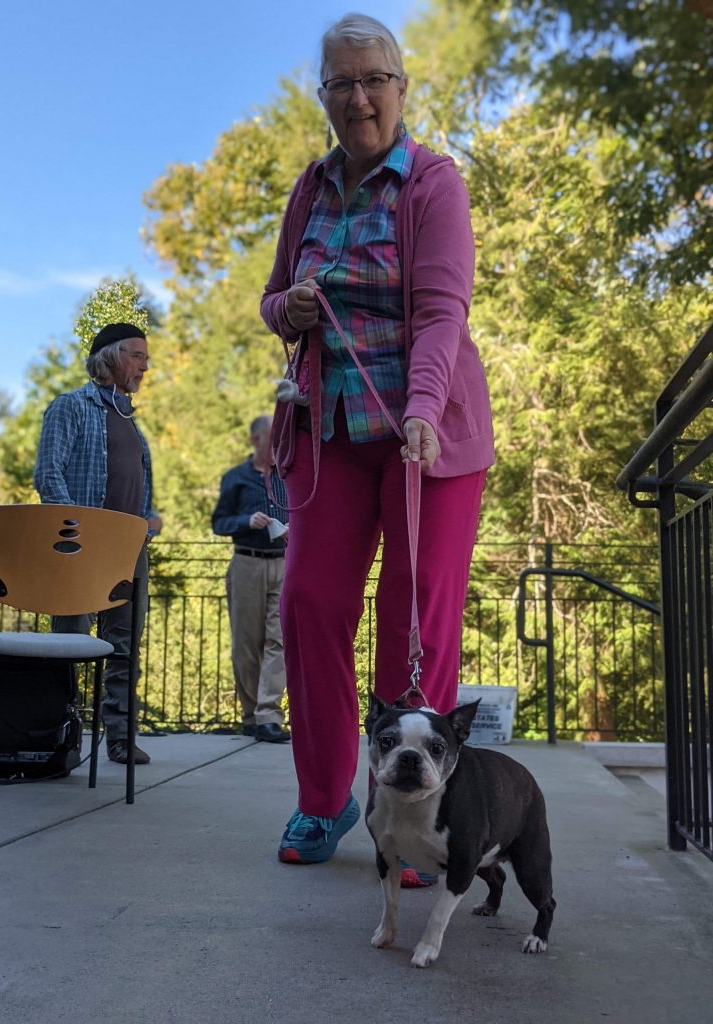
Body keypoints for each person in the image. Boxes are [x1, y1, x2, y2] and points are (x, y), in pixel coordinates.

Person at [260, 14, 494, 877]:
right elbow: (275, 294)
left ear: (401, 88)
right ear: (323, 95)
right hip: (330, 439)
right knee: (310, 605)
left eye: (374, 80)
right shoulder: (310, 189)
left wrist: (424, 410)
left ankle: (415, 822)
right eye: (341, 83)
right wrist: (286, 309)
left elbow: (441, 314)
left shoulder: (432, 184)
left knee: (413, 626)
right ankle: (323, 800)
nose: (358, 97)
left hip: (427, 442)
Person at [34, 322, 162, 765]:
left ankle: (120, 739)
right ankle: (54, 735)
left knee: (125, 648)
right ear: (109, 358)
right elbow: (48, 476)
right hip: (81, 547)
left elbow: (133, 486)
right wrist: (77, 534)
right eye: (138, 355)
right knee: (68, 646)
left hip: (130, 550)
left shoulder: (130, 420)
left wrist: (148, 519)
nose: (146, 365)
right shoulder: (71, 407)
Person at [211, 416, 291, 743]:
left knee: (279, 639)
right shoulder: (236, 478)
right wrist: (246, 521)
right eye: (271, 438)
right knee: (246, 644)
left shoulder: (289, 475)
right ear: (255, 440)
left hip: (284, 564)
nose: (276, 445)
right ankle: (251, 714)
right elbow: (219, 522)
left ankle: (269, 715)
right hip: (246, 563)